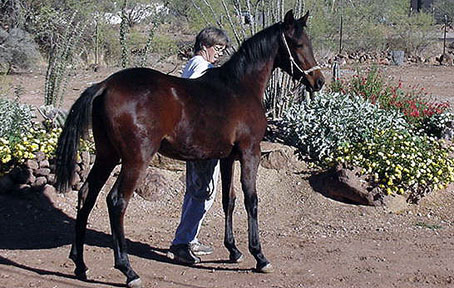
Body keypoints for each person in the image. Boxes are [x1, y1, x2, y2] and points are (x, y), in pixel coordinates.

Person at [167, 27, 230, 265]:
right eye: (218, 48)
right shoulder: (201, 67)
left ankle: (188, 238)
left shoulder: (198, 65)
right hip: (201, 140)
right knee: (202, 192)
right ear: (205, 46)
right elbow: (194, 96)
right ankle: (181, 243)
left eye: (223, 49)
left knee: (198, 191)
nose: (220, 54)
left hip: (198, 139)